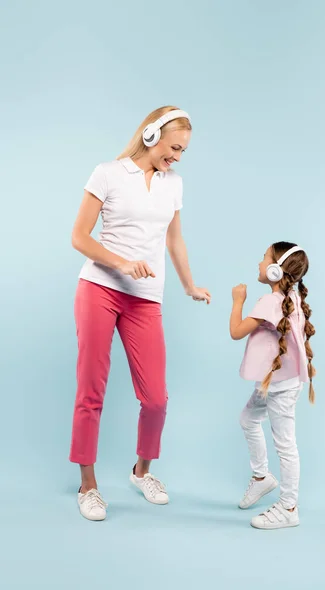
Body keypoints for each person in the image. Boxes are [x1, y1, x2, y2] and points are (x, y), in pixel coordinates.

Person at [69, 106, 211, 521]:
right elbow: (79, 237)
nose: (178, 157)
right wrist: (121, 262)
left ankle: (141, 471)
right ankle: (88, 485)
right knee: (91, 390)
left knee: (155, 399)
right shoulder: (108, 173)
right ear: (151, 135)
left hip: (146, 298)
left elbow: (175, 241)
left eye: (183, 151)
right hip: (99, 288)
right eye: (174, 148)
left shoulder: (174, 184)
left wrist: (188, 285)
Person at [230, 242, 315, 529]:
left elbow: (235, 332)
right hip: (276, 384)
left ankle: (289, 506)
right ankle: (261, 478)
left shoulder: (268, 303)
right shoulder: (293, 298)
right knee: (248, 419)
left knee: (285, 445)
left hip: (279, 389)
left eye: (264, 258)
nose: (259, 262)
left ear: (276, 269)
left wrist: (238, 299)